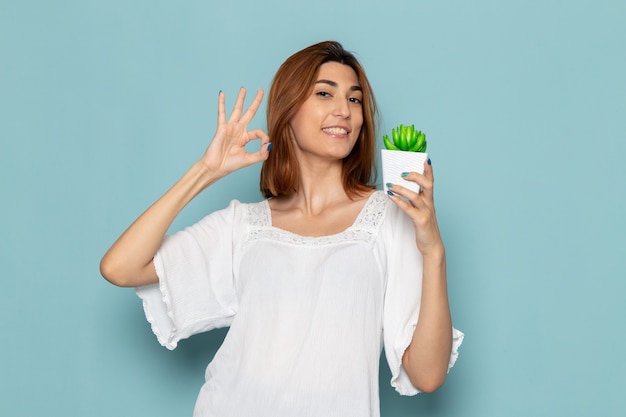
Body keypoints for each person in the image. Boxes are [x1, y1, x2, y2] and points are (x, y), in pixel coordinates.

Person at [100, 40, 463, 417]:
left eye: (354, 100)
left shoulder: (390, 218)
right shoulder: (244, 225)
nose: (344, 111)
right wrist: (204, 172)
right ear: (289, 111)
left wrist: (434, 251)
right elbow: (120, 267)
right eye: (325, 93)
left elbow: (427, 375)